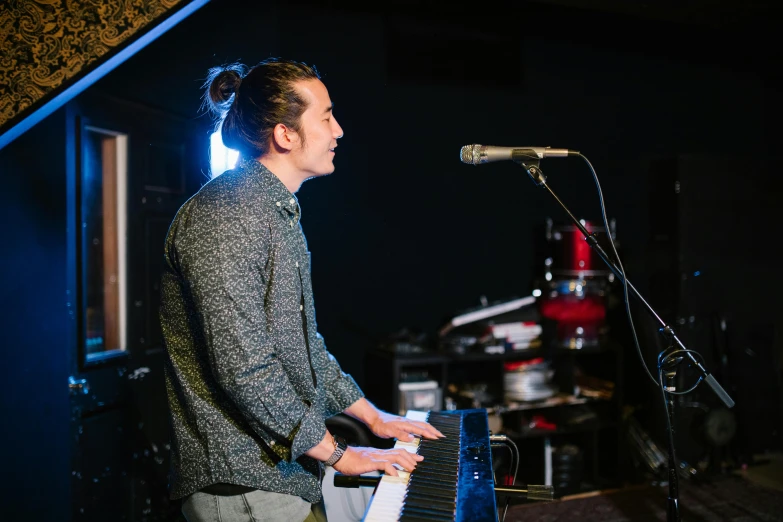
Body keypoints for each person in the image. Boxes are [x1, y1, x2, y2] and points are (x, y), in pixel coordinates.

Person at [159, 57, 443, 522]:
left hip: (280, 476)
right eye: (326, 116)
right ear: (285, 135)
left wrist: (374, 418)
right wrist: (338, 453)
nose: (340, 131)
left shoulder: (272, 210)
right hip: (243, 485)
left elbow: (304, 349)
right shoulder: (227, 214)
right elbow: (245, 368)